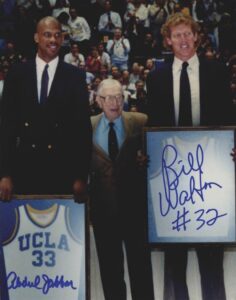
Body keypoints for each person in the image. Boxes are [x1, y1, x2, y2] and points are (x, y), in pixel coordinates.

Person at [146, 13, 235, 300]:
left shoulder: (217, 71)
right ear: (168, 40)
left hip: (210, 174)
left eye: (188, 34)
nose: (183, 40)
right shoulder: (157, 77)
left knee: (211, 260)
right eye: (177, 35)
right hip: (172, 179)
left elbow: (229, 118)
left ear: (196, 37)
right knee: (175, 260)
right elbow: (153, 127)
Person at [0, 16, 92, 200]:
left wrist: (81, 176)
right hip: (23, 170)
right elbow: (5, 127)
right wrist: (4, 173)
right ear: (36, 37)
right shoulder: (17, 74)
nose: (53, 40)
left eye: (58, 35)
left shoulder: (75, 77)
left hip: (62, 172)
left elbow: (82, 130)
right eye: (47, 35)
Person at [89, 78, 155, 300]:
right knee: (110, 275)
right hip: (103, 213)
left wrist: (146, 158)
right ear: (99, 100)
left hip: (135, 212)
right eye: (108, 98)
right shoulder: (87, 126)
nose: (114, 102)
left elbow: (156, 154)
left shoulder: (140, 121)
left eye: (119, 97)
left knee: (141, 273)